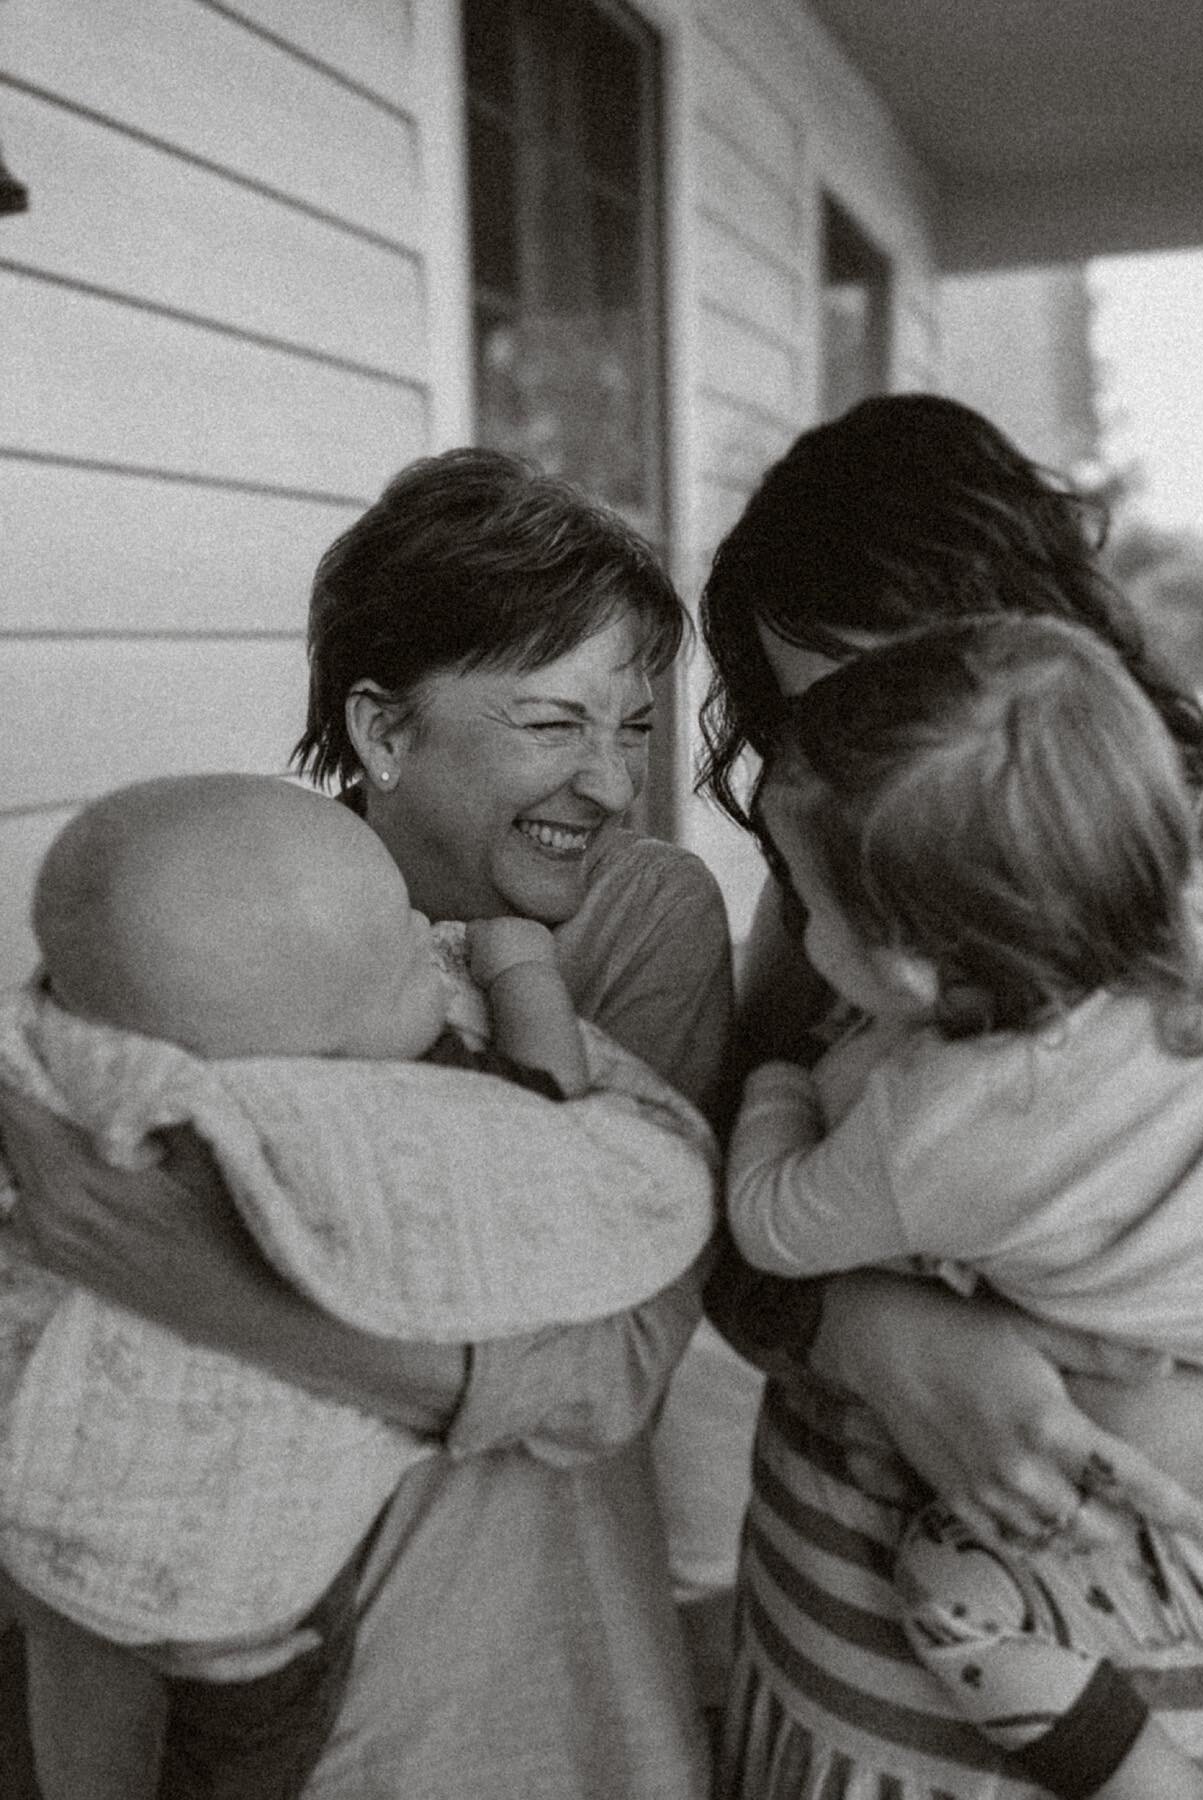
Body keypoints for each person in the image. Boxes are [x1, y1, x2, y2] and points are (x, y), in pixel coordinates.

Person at [698, 394, 1203, 1799]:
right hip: (832, 1696)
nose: (867, 780)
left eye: (903, 695)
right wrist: (877, 1336)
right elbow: (730, 1235)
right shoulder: (848, 885)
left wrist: (1053, 1413)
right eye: (812, 719)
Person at [0, 447, 734, 1799]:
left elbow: (610, 1358)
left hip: (511, 1640)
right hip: (210, 1627)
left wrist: (202, 1288)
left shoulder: (643, 914)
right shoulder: (227, 902)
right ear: (385, 730)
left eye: (633, 727)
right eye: (555, 723)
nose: (615, 783)